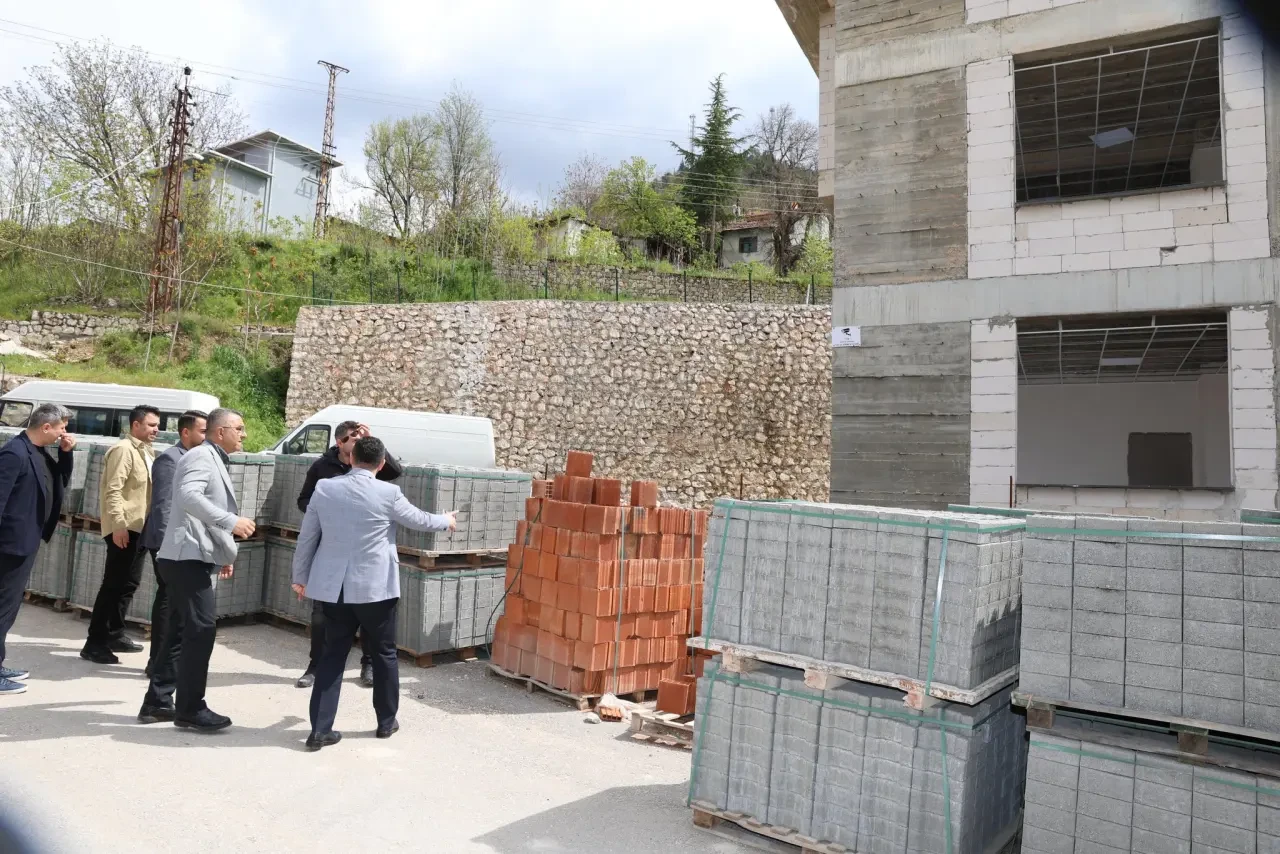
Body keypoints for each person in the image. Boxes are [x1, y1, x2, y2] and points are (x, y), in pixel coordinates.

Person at [291, 436, 455, 751]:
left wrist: (300, 577)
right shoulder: (388, 492)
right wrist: (446, 521)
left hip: (333, 590)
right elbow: (419, 520)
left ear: (350, 459)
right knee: (383, 654)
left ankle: (319, 730)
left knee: (332, 657)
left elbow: (308, 537)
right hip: (375, 590)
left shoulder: (325, 488)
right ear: (381, 465)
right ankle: (385, 723)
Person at [137, 408, 255, 731]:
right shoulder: (201, 457)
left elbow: (200, 513)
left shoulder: (211, 458)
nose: (243, 435)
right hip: (185, 558)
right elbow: (187, 496)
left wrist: (223, 553)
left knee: (178, 631)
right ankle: (190, 708)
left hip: (190, 556)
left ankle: (158, 702)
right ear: (221, 432)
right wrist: (231, 522)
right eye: (239, 429)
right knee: (202, 629)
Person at [294, 420, 404, 690]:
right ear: (339, 443)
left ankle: (367, 665)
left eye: (360, 437)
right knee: (322, 614)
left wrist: (373, 439)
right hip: (331, 547)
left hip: (365, 554)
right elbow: (303, 500)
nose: (357, 440)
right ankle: (315, 665)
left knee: (368, 610)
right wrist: (328, 512)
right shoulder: (322, 468)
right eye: (352, 437)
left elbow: (395, 471)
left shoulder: (371, 465)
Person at [0, 404, 75, 696]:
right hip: (10, 546)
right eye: (61, 428)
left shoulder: (38, 453)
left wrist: (66, 454)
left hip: (25, 542)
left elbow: (59, 483)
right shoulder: (14, 454)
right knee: (3, 609)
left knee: (8, 608)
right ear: (46, 427)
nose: (62, 434)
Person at [81, 405, 159, 665]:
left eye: (157, 425)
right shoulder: (123, 451)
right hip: (124, 528)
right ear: (135, 425)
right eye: (151, 425)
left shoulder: (147, 452)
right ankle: (94, 644)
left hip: (140, 528)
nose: (156, 429)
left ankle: (115, 634)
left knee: (128, 584)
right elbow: (112, 491)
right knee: (113, 586)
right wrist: (118, 525)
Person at [138, 410, 207, 679]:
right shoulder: (170, 459)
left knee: (175, 602)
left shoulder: (197, 459)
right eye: (202, 431)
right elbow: (163, 506)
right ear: (185, 432)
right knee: (168, 601)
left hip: (186, 543)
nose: (206, 436)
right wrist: (171, 548)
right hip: (168, 543)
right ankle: (157, 662)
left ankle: (165, 662)